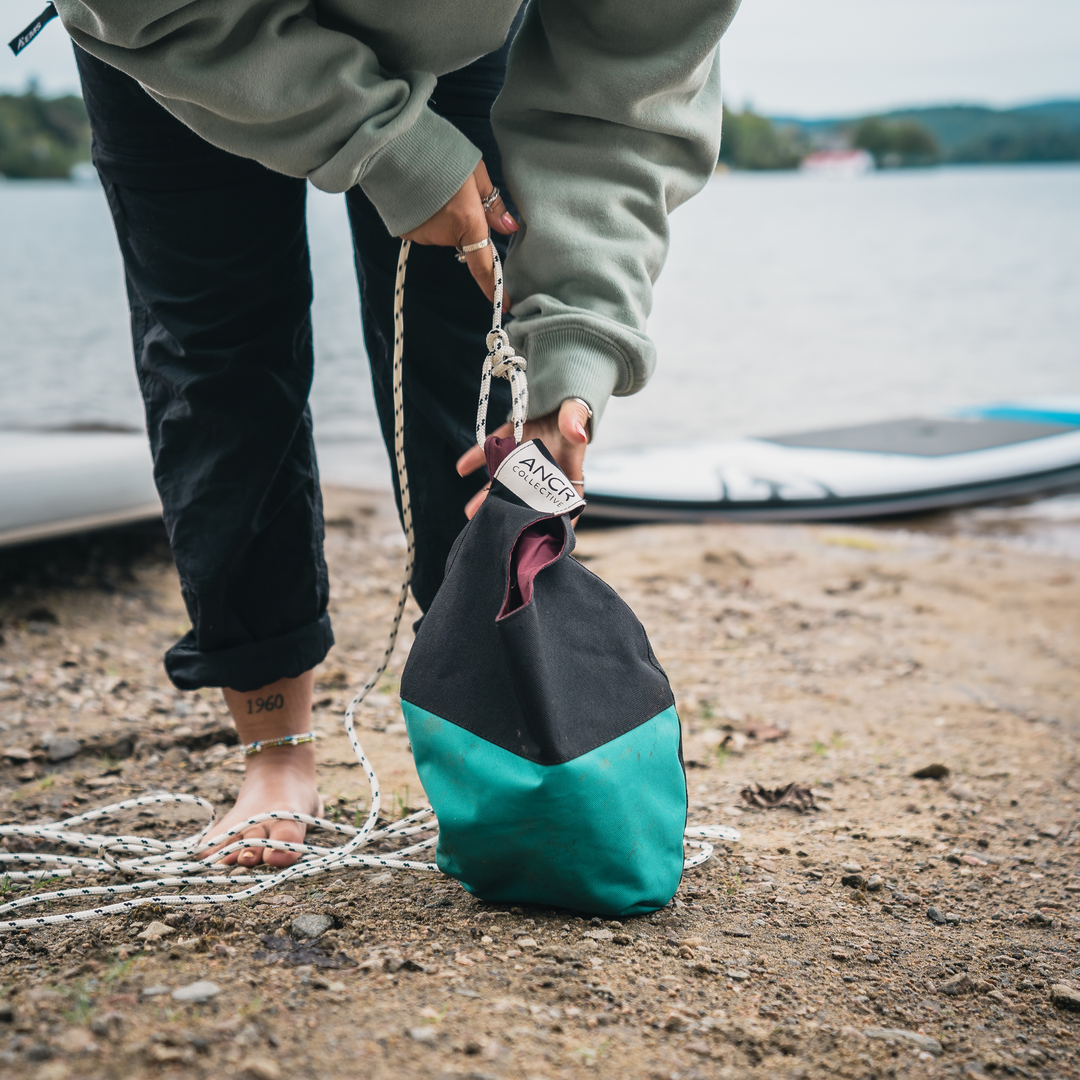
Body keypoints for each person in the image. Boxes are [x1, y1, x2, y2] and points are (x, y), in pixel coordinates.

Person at [54, 0, 742, 867]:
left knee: (476, 349)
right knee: (218, 356)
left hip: (455, 32)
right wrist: (386, 146)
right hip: (188, 28)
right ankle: (275, 750)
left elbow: (622, 100)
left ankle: (493, 735)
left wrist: (573, 341)